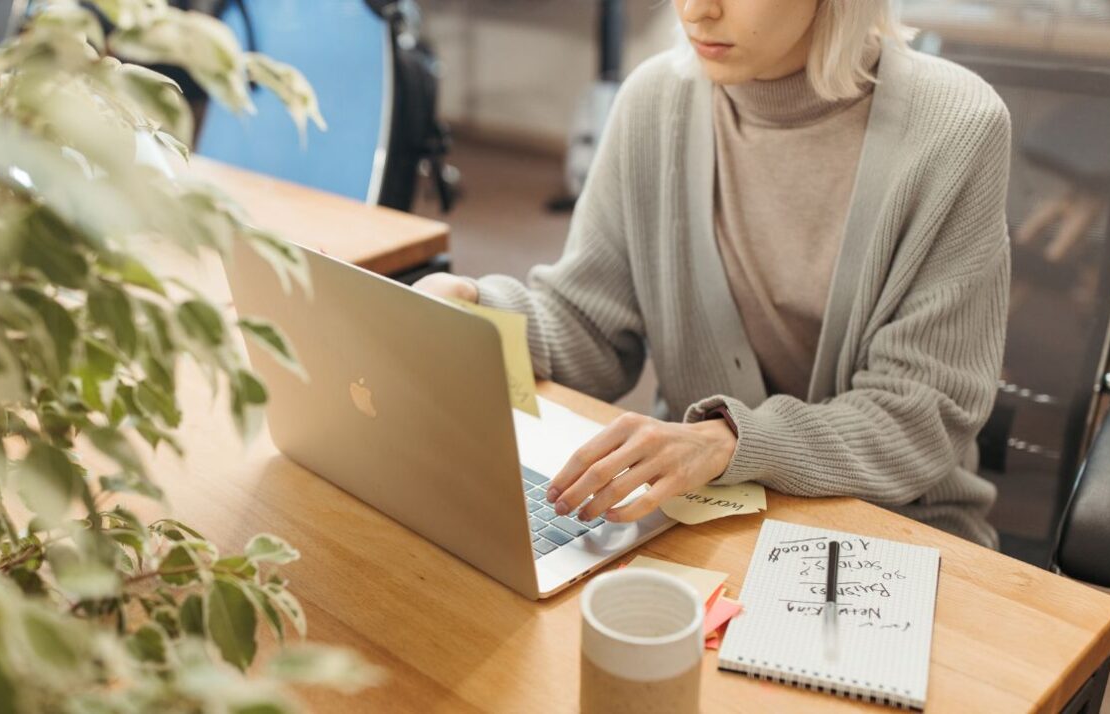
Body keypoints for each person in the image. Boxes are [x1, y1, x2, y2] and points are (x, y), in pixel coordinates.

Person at [414, 0, 1011, 547]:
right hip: (703, 512)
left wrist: (724, 442)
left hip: (894, 526)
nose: (696, 10)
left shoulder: (956, 127)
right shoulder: (654, 100)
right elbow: (590, 321)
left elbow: (918, 417)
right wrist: (480, 310)